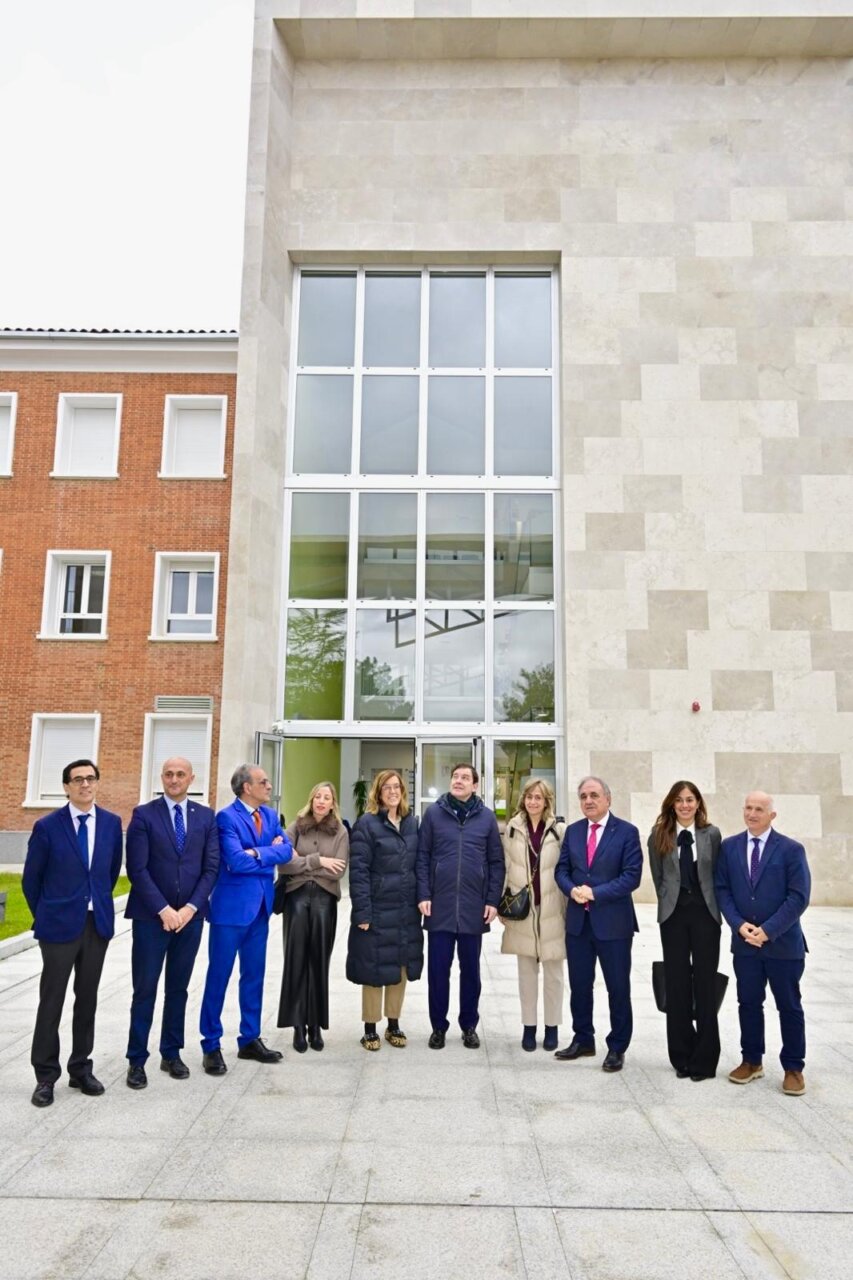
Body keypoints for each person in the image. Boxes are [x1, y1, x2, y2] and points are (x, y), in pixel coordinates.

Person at [23, 759, 123, 1108]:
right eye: (77, 780)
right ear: (66, 786)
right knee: (52, 1001)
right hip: (58, 928)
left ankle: (81, 1068)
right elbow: (31, 880)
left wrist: (91, 904)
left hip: (96, 925)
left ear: (97, 783)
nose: (85, 785)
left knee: (88, 999)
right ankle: (45, 1076)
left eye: (90, 779)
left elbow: (109, 874)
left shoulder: (111, 824)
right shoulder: (47, 826)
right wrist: (49, 914)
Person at [124, 757, 220, 1089]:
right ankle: (136, 1060)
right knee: (144, 990)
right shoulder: (143, 815)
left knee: (178, 989)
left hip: (190, 920)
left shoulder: (206, 817)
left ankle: (171, 1053)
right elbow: (137, 870)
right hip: (152, 919)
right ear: (161, 778)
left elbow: (211, 869)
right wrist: (164, 910)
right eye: (168, 774)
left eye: (180, 774)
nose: (174, 779)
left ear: (192, 778)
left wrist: (191, 908)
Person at [199, 764, 293, 1073]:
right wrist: (267, 853)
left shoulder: (269, 815)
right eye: (263, 782)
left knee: (253, 976)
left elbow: (288, 851)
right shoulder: (226, 817)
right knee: (219, 977)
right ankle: (211, 1044)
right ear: (246, 787)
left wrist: (256, 853)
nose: (269, 786)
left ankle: (249, 1039)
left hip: (261, 910)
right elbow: (236, 862)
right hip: (230, 912)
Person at [716, 791, 811, 1096]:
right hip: (745, 944)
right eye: (748, 807)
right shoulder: (729, 848)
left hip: (782, 945)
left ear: (772, 815)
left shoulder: (791, 850)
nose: (752, 813)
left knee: (789, 1006)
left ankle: (794, 1067)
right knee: (748, 1003)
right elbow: (722, 890)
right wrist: (738, 924)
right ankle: (751, 1060)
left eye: (759, 809)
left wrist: (768, 930)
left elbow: (798, 897)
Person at [554, 775, 642, 1073]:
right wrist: (571, 889)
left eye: (594, 795)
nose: (588, 801)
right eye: (583, 796)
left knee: (617, 987)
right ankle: (583, 1038)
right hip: (579, 924)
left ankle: (617, 1047)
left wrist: (595, 892)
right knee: (580, 985)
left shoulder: (627, 832)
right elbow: (562, 869)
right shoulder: (574, 832)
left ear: (608, 798)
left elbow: (631, 877)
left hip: (613, 925)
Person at [416, 762, 504, 1050]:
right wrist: (423, 894)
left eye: (465, 778)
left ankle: (469, 1026)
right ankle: (438, 1027)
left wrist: (492, 900)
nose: (459, 781)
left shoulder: (487, 819)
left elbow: (495, 863)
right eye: (455, 776)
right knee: (438, 972)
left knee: (471, 973)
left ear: (475, 785)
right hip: (439, 906)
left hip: (473, 908)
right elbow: (423, 857)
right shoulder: (433, 814)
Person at [647, 781, 722, 1081]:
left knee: (704, 984)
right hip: (674, 916)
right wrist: (668, 903)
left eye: (690, 800)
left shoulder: (711, 834)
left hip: (705, 915)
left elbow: (716, 872)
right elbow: (657, 876)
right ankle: (681, 1055)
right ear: (671, 804)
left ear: (698, 803)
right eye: (679, 800)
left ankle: (704, 1059)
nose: (685, 805)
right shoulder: (659, 835)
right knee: (677, 985)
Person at [346, 769, 423, 1050]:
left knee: (400, 967)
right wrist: (362, 912)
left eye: (397, 787)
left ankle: (393, 1024)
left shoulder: (412, 823)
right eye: (386, 787)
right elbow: (359, 872)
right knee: (374, 967)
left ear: (403, 791)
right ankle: (370, 1027)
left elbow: (420, 865)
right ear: (378, 793)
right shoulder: (366, 824)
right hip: (377, 908)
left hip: (405, 910)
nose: (392, 791)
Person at [277, 781, 348, 1052]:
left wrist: (302, 862)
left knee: (319, 961)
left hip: (324, 902)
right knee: (295, 961)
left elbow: (338, 870)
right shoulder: (295, 827)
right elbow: (283, 864)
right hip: (295, 899)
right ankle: (297, 1026)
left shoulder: (340, 831)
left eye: (326, 797)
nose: (321, 801)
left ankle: (315, 1025)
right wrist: (318, 861)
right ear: (311, 799)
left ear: (333, 803)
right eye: (317, 795)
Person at [499, 778, 566, 1052]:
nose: (533, 802)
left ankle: (552, 1027)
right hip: (523, 910)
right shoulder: (512, 829)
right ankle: (529, 1027)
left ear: (547, 800)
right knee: (526, 973)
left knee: (554, 974)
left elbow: (567, 868)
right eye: (529, 797)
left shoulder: (560, 830)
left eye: (538, 797)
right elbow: (504, 868)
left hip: (552, 910)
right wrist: (502, 904)